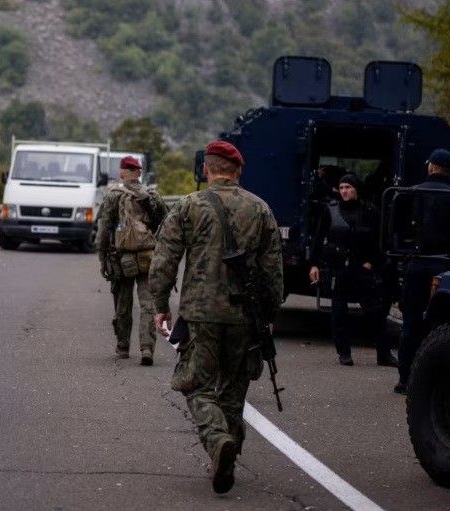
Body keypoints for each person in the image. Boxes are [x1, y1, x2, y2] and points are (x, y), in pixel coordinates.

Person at [150, 140, 283, 494]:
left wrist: (160, 304)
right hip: (245, 317)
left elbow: (165, 258)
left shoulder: (189, 206)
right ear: (238, 170)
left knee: (196, 384)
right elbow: (273, 269)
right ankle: (227, 455)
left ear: (206, 169)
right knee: (233, 391)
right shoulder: (260, 209)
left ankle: (216, 439)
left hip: (201, 314)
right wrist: (270, 313)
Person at [394, 149, 450, 394]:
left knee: (410, 324)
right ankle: (434, 381)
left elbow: (396, 226)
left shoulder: (413, 193)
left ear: (430, 167)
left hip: (417, 262)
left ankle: (405, 379)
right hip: (445, 265)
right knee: (441, 325)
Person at [307, 173, 397, 367]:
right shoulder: (331, 210)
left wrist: (372, 262)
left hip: (362, 269)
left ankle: (384, 354)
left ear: (356, 189)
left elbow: (381, 241)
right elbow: (318, 237)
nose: (344, 191)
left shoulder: (370, 211)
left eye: (348, 187)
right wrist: (314, 264)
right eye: (341, 188)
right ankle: (344, 353)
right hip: (339, 269)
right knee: (339, 313)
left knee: (375, 313)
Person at [97, 155, 167, 365]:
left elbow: (104, 230)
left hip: (122, 259)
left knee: (123, 304)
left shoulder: (114, 196)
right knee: (148, 305)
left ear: (122, 172)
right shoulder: (152, 196)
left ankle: (122, 347)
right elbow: (166, 225)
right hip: (148, 257)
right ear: (139, 173)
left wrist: (102, 258)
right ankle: (147, 349)